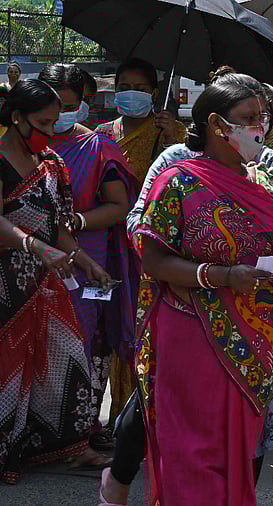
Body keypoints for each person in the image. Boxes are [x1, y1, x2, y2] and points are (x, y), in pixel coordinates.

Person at [104, 70, 273, 505]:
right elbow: (154, 257)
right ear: (219, 125)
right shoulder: (176, 180)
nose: (262, 127)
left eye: (265, 117)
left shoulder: (268, 181)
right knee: (193, 450)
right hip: (189, 332)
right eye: (250, 117)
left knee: (241, 441)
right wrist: (220, 276)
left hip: (252, 331)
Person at [0, 79, 115, 485]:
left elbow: (59, 227)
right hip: (7, 283)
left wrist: (84, 262)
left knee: (65, 362)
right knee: (8, 371)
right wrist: (35, 247)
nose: (50, 133)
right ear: (16, 119)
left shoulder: (51, 163)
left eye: (54, 123)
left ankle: (70, 446)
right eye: (42, 123)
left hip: (47, 284)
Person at [40, 64, 139, 449]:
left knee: (85, 339)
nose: (57, 116)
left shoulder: (97, 148)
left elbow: (120, 205)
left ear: (83, 104)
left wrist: (76, 220)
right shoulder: (21, 147)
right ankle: (34, 432)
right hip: (31, 259)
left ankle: (78, 432)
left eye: (68, 106)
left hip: (87, 261)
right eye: (51, 107)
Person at [95, 58, 187, 185]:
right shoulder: (101, 133)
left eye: (140, 89)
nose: (131, 93)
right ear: (116, 90)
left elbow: (183, 176)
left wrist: (170, 140)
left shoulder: (173, 129)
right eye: (124, 88)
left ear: (154, 94)